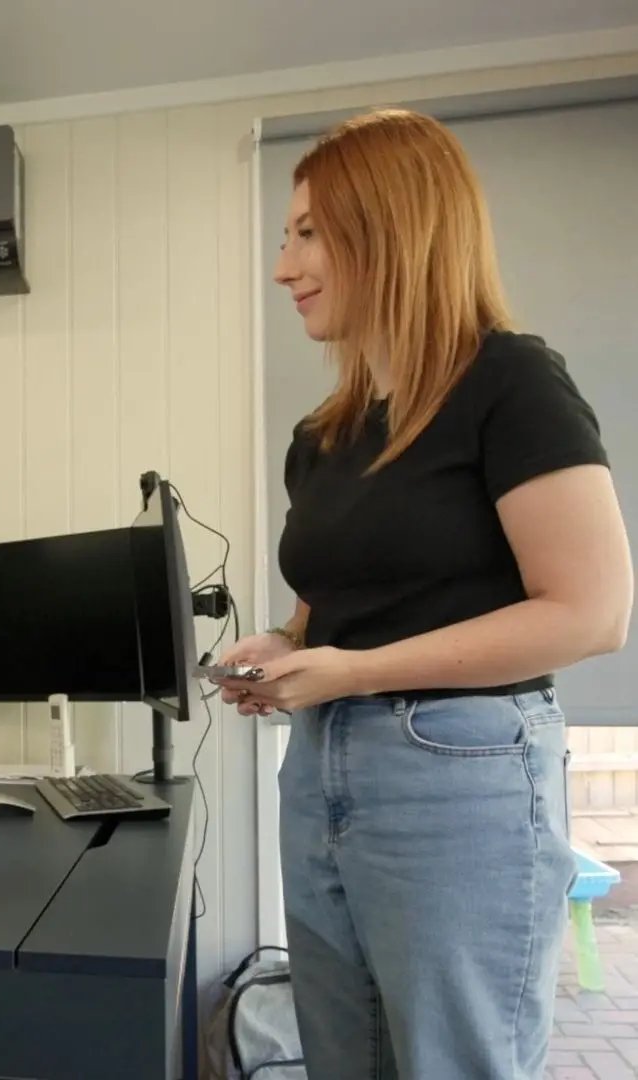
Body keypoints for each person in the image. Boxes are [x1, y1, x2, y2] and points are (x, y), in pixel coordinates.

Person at [217, 109, 632, 1079]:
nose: (283, 266)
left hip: (458, 773)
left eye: (308, 232)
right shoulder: (325, 433)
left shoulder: (511, 383)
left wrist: (356, 670)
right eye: (286, 236)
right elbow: (347, 596)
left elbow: (591, 612)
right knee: (343, 1059)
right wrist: (286, 643)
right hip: (322, 766)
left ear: (392, 227)